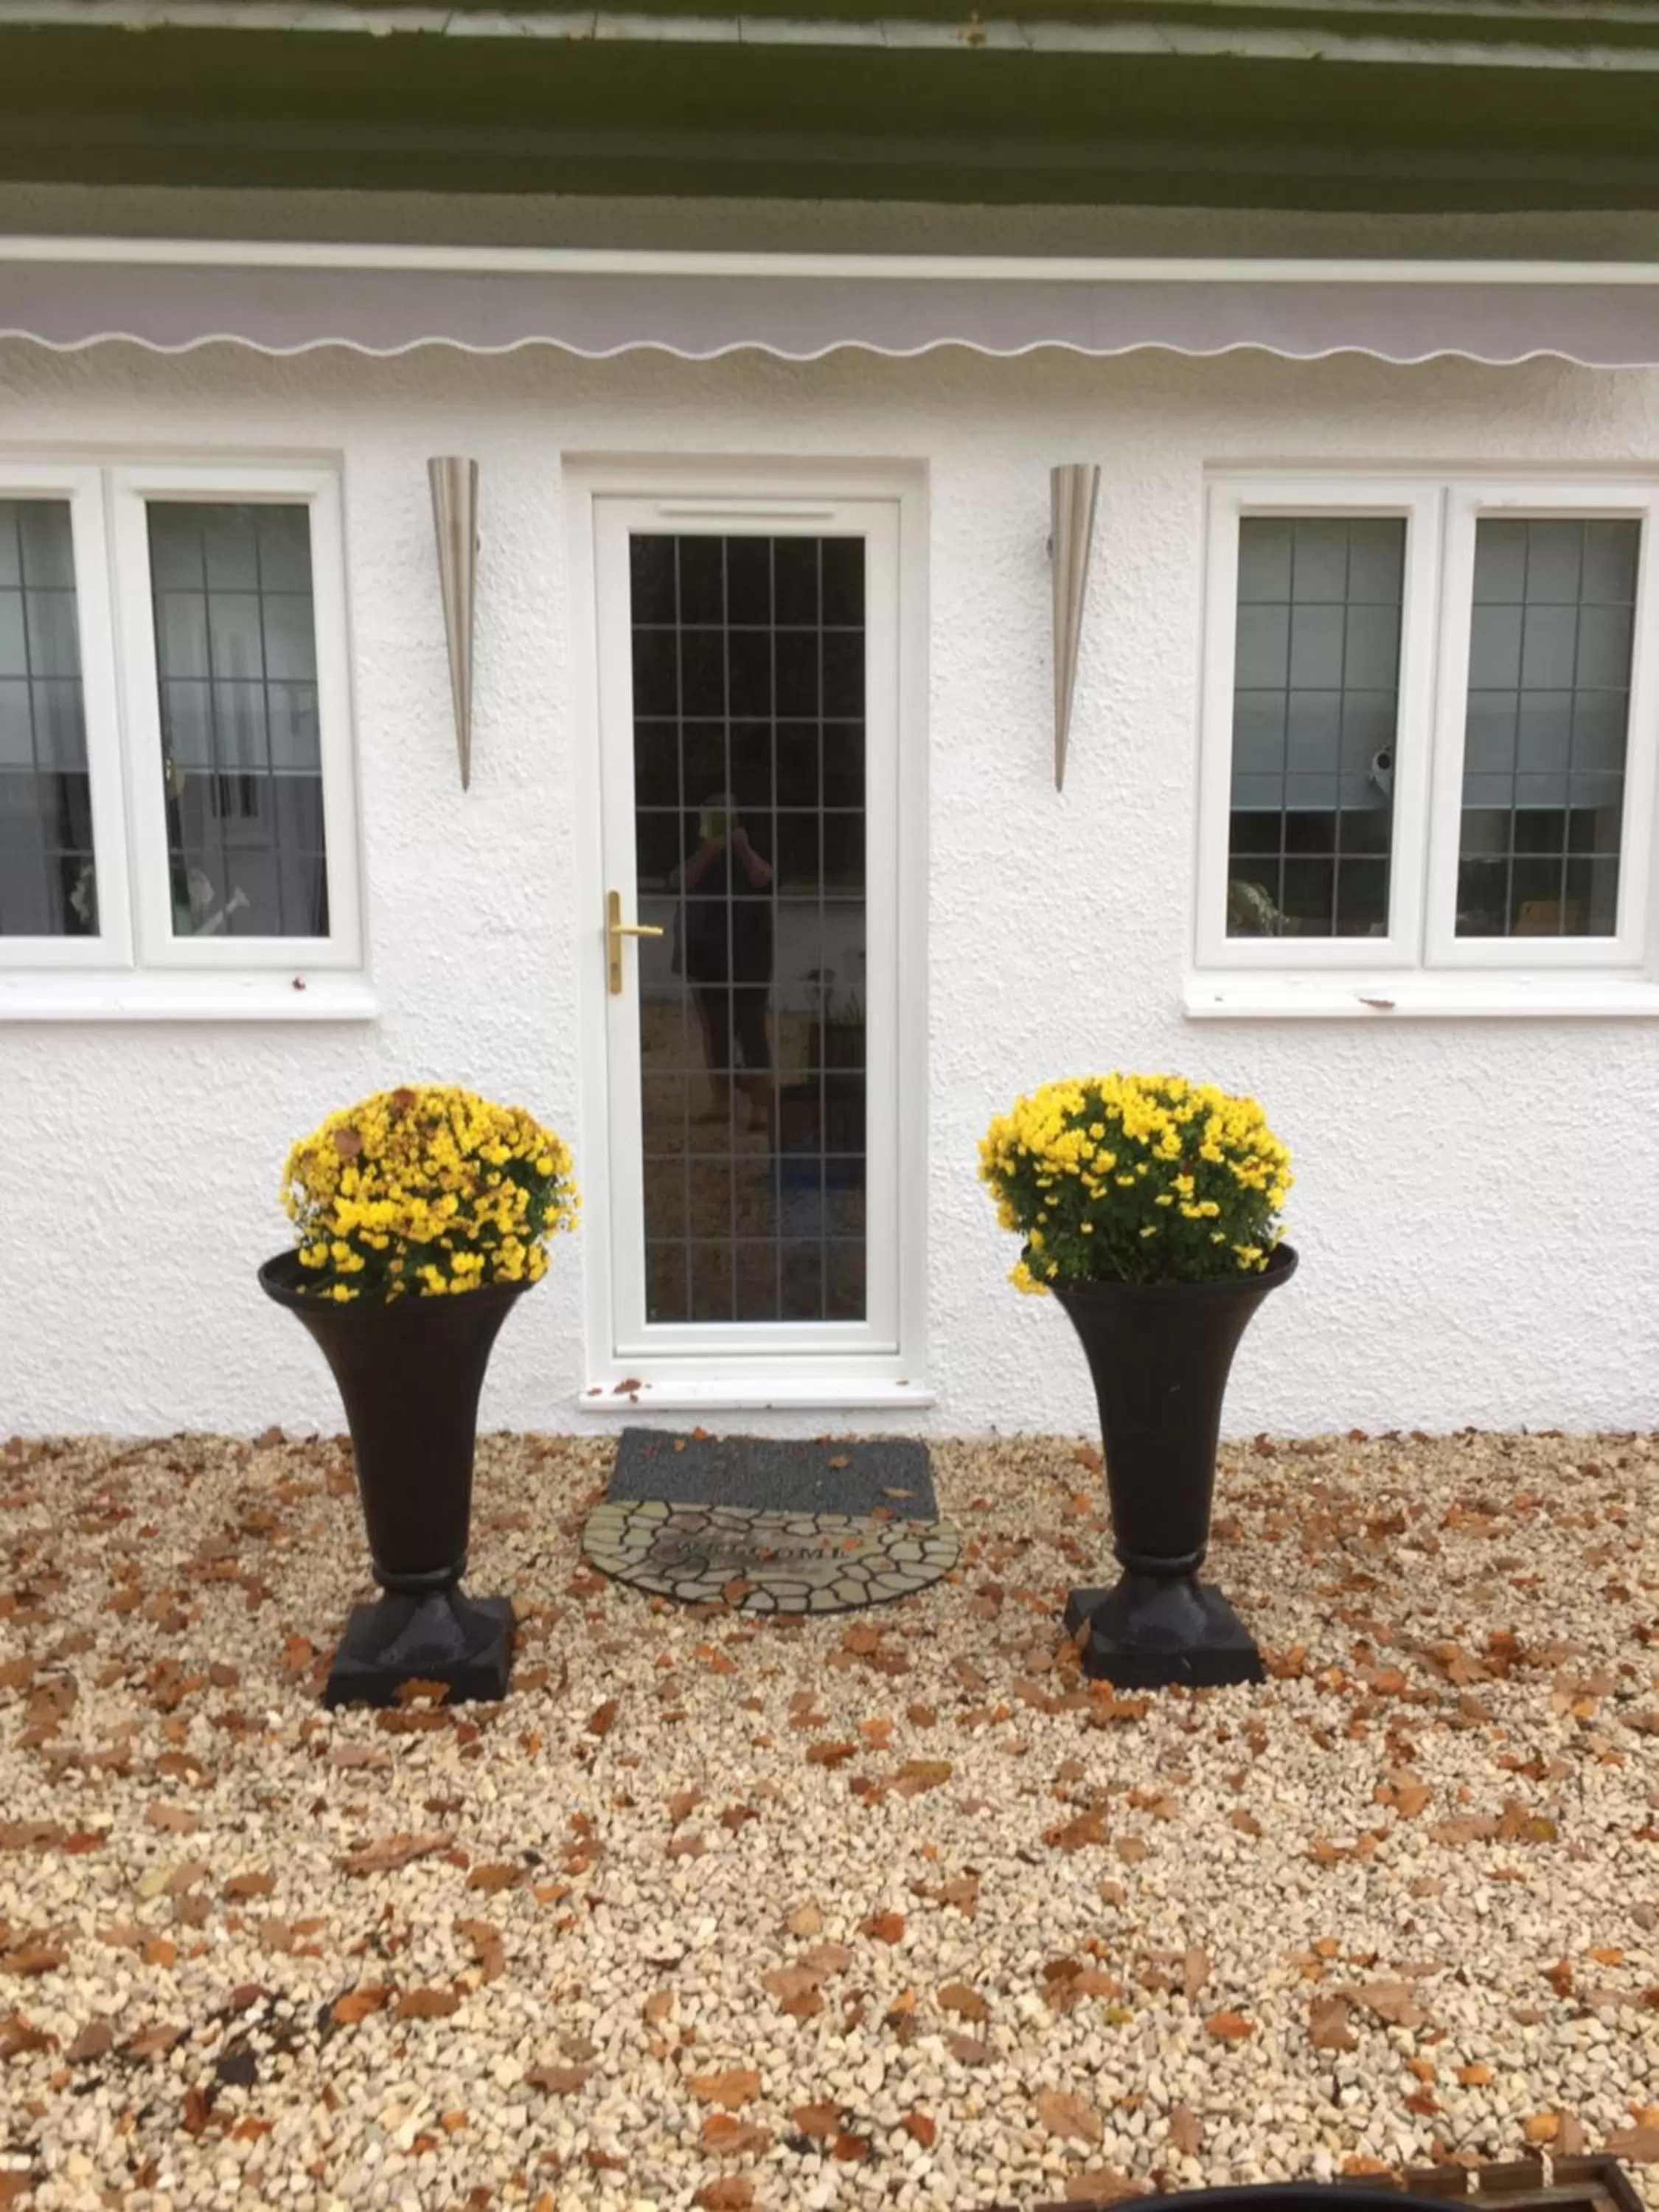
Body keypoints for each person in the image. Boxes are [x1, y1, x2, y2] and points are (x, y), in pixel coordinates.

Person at [669, 792, 775, 1138]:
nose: (720, 818)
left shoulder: (757, 838)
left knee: (751, 1025)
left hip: (750, 949)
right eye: (713, 811)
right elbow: (678, 881)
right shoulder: (695, 842)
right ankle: (721, 1098)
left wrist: (742, 848)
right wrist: (709, 849)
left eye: (726, 812)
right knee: (714, 1027)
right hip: (706, 948)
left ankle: (760, 1103)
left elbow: (765, 878)